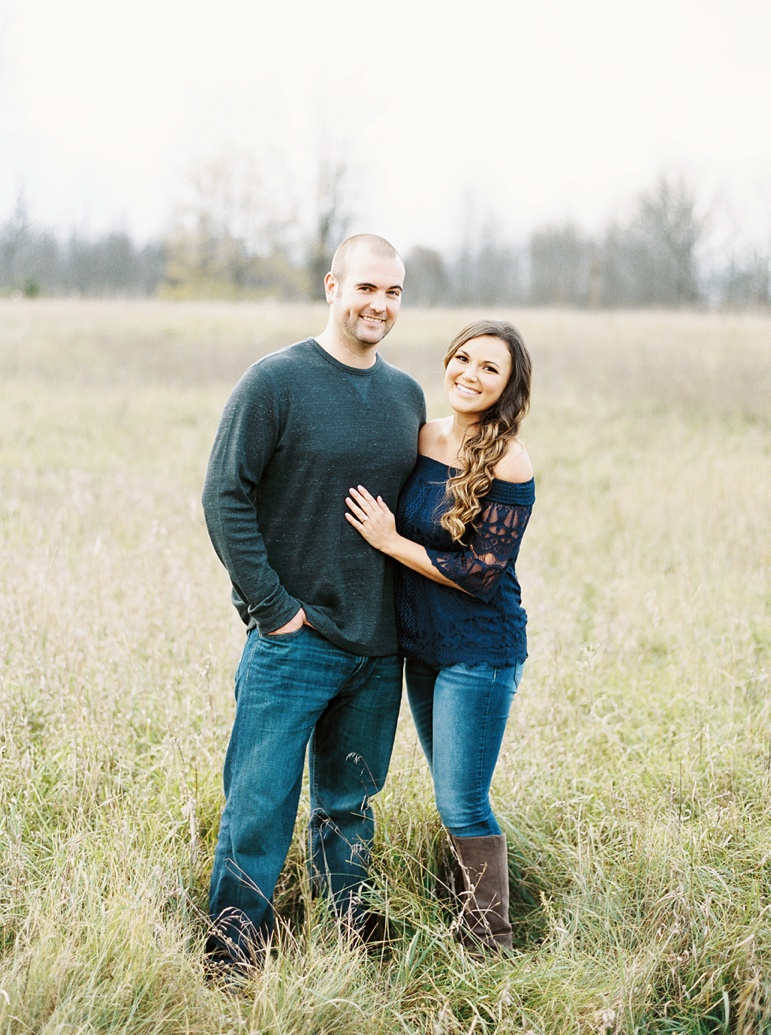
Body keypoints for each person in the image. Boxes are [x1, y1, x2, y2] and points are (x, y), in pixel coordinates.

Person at [202, 234, 426, 966]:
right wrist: (272, 609)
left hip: (375, 648)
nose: (379, 304)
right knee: (257, 810)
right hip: (291, 644)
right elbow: (223, 495)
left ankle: (343, 952)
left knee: (349, 811)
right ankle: (231, 957)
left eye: (392, 292)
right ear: (332, 286)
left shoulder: (405, 396)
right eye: (366, 287)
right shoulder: (274, 382)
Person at [345, 319, 534, 953]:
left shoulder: (508, 458)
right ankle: (467, 918)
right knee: (450, 790)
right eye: (463, 359)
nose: (469, 375)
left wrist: (390, 542)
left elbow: (482, 574)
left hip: (478, 651)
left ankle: (489, 942)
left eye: (490, 369)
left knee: (461, 801)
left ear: (508, 388)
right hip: (421, 648)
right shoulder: (425, 435)